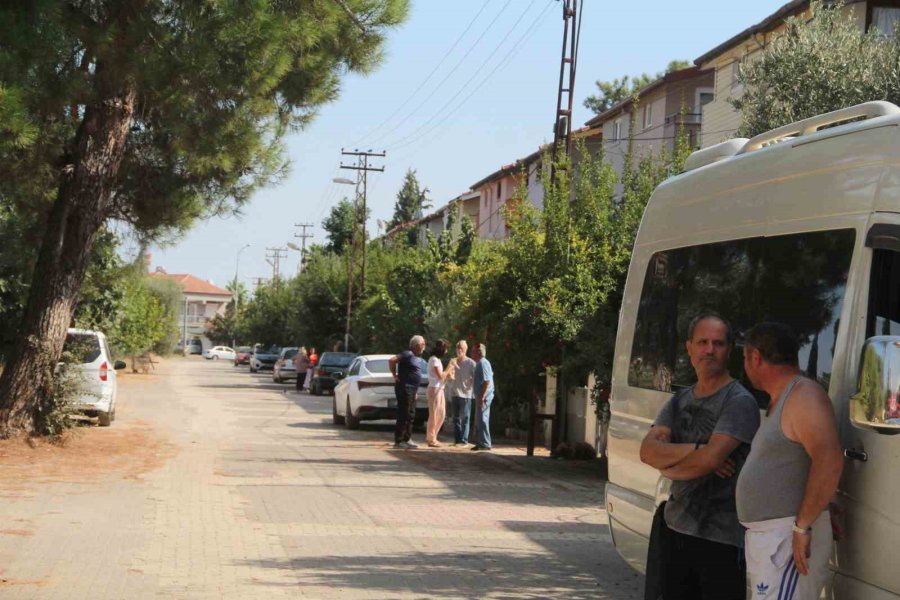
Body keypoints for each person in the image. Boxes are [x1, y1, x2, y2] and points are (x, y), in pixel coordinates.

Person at [639, 314, 760, 600]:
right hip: (674, 528)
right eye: (702, 342)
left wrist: (671, 462)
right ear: (689, 347)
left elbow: (711, 460)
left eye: (718, 343)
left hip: (720, 539)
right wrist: (696, 448)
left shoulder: (738, 401)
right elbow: (647, 452)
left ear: (729, 349)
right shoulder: (679, 400)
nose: (709, 350)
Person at [736, 322, 843, 600]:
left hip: (786, 539)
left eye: (745, 357)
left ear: (755, 357)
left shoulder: (803, 394)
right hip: (776, 541)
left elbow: (829, 460)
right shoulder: (784, 398)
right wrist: (820, 504)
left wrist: (803, 524)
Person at [389, 335, 427, 449]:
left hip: (412, 390)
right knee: (403, 414)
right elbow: (392, 360)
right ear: (417, 345)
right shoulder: (407, 354)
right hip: (405, 388)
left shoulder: (416, 357)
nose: (424, 346)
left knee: (411, 415)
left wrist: (415, 391)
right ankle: (399, 440)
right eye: (423, 344)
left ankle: (407, 438)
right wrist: (394, 375)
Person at [425, 339, 455, 447]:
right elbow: (440, 376)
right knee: (434, 414)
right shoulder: (433, 360)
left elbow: (443, 377)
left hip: (440, 388)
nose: (446, 351)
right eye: (445, 349)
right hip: (434, 389)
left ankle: (433, 437)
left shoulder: (437, 360)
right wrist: (449, 367)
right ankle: (431, 439)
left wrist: (449, 373)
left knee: (441, 414)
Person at [448, 340, 476, 446]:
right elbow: (448, 374)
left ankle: (464, 440)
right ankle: (457, 440)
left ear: (465, 350)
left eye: (462, 348)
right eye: (458, 348)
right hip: (455, 393)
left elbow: (477, 376)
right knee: (456, 418)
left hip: (466, 394)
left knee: (465, 418)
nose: (459, 350)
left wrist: (472, 382)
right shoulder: (453, 361)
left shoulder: (471, 363)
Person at [471, 343, 494, 451]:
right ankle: (481, 442)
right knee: (480, 419)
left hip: (484, 396)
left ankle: (485, 443)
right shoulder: (480, 363)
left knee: (483, 419)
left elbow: (486, 381)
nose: (471, 353)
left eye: (473, 351)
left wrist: (482, 396)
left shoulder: (483, 363)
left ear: (478, 353)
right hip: (481, 396)